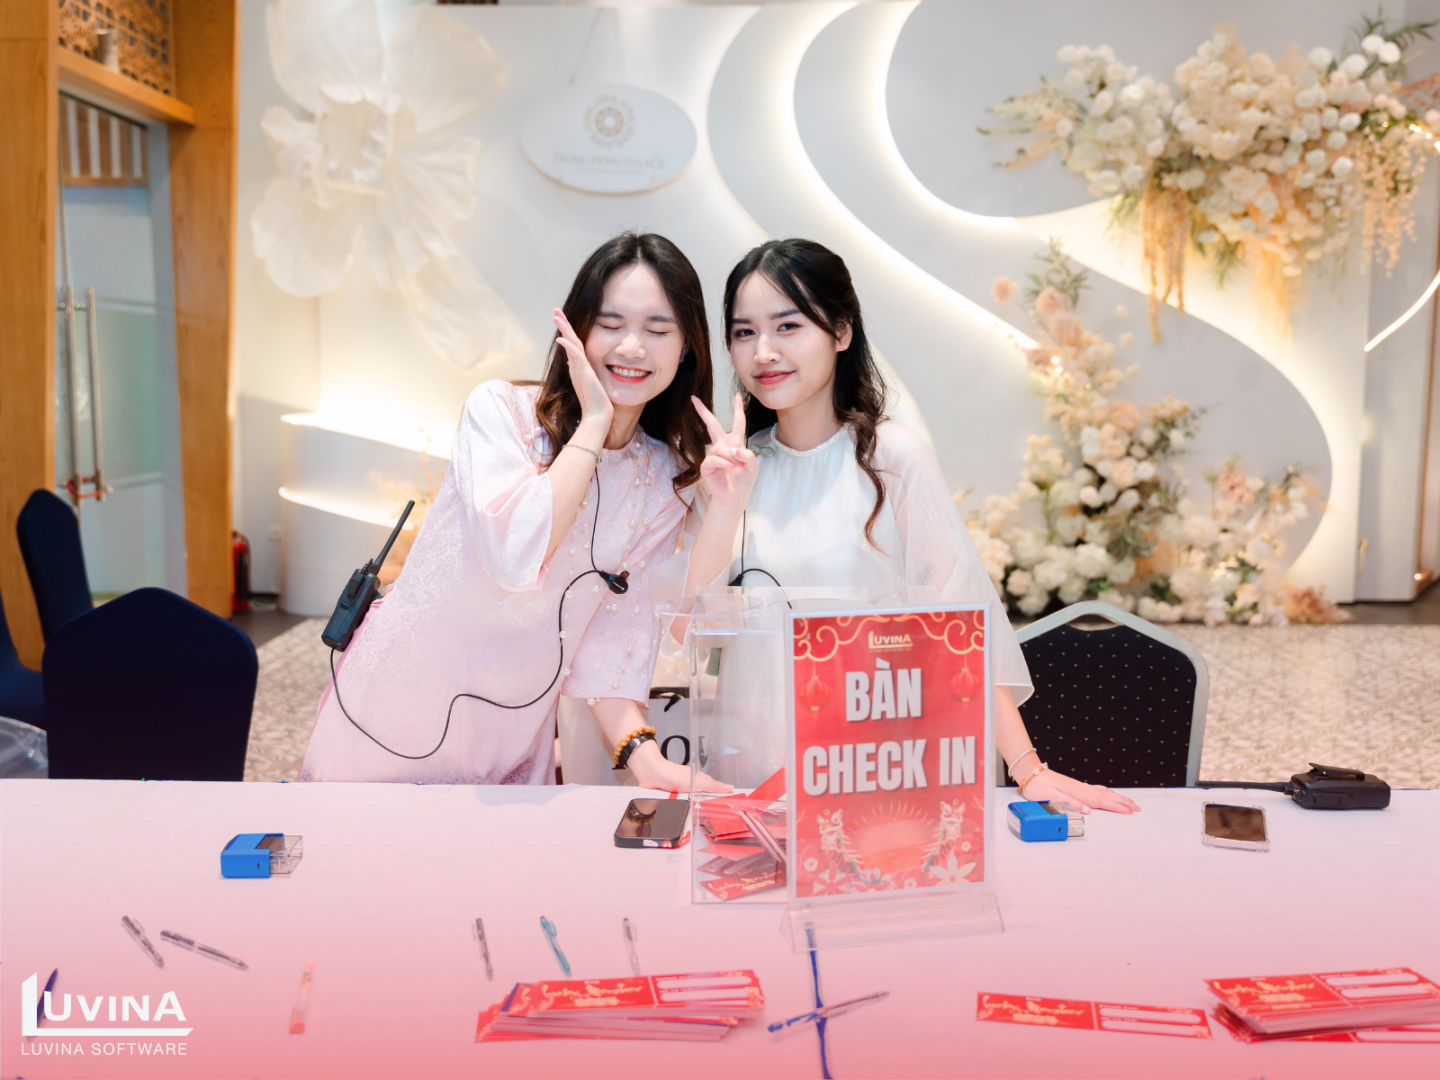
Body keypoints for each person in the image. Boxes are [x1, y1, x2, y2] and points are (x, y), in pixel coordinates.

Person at [668, 238, 1139, 814]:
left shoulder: (893, 457)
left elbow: (959, 627)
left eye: (788, 326)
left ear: (842, 332)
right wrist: (724, 507)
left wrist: (1027, 768)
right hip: (752, 772)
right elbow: (693, 632)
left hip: (871, 771)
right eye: (745, 332)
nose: (764, 351)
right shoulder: (733, 470)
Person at [298, 233, 736, 792]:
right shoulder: (500, 412)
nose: (632, 347)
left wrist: (643, 757)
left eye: (658, 329)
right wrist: (595, 424)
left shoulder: (660, 476)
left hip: (512, 739)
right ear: (576, 329)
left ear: (687, 347)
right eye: (610, 323)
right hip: (393, 712)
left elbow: (610, 639)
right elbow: (514, 555)